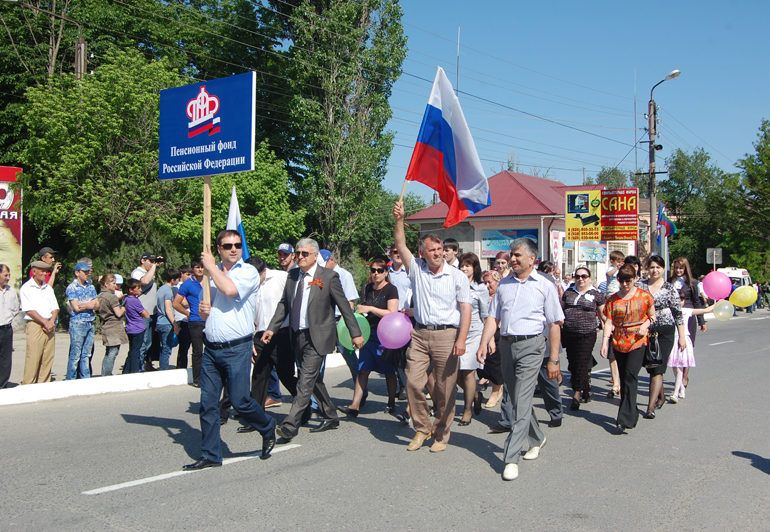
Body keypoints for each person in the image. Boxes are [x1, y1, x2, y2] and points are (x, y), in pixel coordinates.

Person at [184, 230, 277, 471]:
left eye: (237, 245)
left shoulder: (246, 272)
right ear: (219, 248)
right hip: (212, 349)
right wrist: (207, 311)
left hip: (237, 348)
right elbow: (216, 306)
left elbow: (230, 291)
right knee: (207, 404)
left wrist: (211, 268)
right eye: (228, 246)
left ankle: (267, 427)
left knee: (240, 401)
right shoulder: (210, 277)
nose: (234, 249)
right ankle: (211, 454)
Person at [476, 238, 564, 481]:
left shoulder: (544, 286)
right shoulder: (504, 284)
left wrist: (554, 359)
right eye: (511, 256)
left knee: (522, 399)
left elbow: (555, 323)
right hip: (507, 345)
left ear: (531, 259)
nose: (512, 260)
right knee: (516, 399)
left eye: (517, 256)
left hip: (532, 345)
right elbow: (493, 318)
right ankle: (537, 437)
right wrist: (484, 342)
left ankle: (510, 457)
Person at [261, 238, 363, 442]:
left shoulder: (328, 276)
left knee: (305, 381)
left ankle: (290, 425)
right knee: (314, 379)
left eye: (304, 254)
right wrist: (272, 328)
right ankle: (331, 414)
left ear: (315, 256)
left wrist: (355, 333)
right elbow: (284, 305)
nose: (300, 257)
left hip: (319, 335)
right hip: (297, 336)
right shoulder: (293, 276)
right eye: (298, 253)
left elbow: (344, 306)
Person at [393, 201, 471, 453]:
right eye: (432, 250)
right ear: (422, 252)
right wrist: (399, 219)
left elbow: (466, 309)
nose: (437, 253)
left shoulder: (457, 276)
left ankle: (441, 433)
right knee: (414, 383)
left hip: (447, 335)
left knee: (444, 389)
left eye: (440, 249)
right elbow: (400, 244)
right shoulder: (416, 269)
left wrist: (461, 340)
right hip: (420, 333)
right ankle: (422, 428)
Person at [339, 258, 399, 417]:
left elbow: (392, 313)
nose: (376, 274)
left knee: (389, 371)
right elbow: (364, 309)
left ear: (386, 272)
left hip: (385, 335)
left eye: (379, 270)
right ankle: (355, 406)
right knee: (363, 370)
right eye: (373, 270)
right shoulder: (368, 288)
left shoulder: (391, 289)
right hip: (369, 334)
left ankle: (392, 402)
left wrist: (370, 308)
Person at [600, 264, 656, 432]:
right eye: (622, 280)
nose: (625, 284)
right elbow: (609, 322)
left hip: (638, 340)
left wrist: (645, 325)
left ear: (635, 279)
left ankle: (625, 417)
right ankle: (631, 411)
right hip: (619, 341)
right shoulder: (613, 300)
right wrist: (604, 342)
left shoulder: (644, 296)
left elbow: (652, 316)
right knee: (624, 378)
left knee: (631, 376)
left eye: (628, 280)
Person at [244, 256, 298, 414]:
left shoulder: (281, 277)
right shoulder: (247, 285)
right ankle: (256, 416)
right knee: (259, 375)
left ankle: (304, 406)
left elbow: (293, 302)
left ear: (263, 271)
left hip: (281, 334)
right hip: (259, 334)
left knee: (285, 374)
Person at [639, 256, 687, 419]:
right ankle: (661, 396)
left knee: (657, 369)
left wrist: (682, 336)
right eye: (652, 267)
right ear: (647, 268)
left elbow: (677, 313)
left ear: (663, 269)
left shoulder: (669, 288)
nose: (655, 270)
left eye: (658, 267)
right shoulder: (640, 286)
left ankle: (650, 407)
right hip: (644, 330)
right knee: (650, 366)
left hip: (665, 331)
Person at [561, 267, 605, 409]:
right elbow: (560, 310)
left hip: (587, 333)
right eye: (578, 276)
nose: (581, 279)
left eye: (584, 276)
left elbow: (604, 314)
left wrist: (608, 329)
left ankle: (577, 393)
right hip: (569, 332)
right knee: (573, 363)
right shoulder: (568, 292)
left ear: (589, 278)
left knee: (582, 361)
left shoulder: (596, 294)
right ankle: (586, 390)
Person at [457, 252, 489, 425]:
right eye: (462, 265)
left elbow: (486, 314)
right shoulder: (454, 284)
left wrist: (488, 339)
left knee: (468, 371)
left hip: (474, 333)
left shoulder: (480, 288)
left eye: (467, 265)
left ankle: (467, 409)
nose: (464, 268)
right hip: (456, 332)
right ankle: (475, 394)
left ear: (474, 268)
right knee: (454, 375)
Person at [320, 249, 360, 380]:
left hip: (340, 321)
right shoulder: (319, 275)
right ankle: (317, 396)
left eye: (323, 263)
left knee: (349, 356)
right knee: (319, 358)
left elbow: (350, 302)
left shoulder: (344, 275)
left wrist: (345, 325)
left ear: (331, 260)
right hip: (324, 321)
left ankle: (360, 391)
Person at [669, 292, 715, 403]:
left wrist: (718, 302)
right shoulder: (668, 312)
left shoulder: (686, 311)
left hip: (683, 340)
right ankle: (681, 388)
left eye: (681, 299)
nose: (679, 302)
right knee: (674, 367)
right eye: (677, 299)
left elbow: (705, 310)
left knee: (680, 366)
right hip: (671, 340)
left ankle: (675, 393)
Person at [669, 256, 706, 389]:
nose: (678, 270)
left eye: (681, 268)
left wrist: (702, 321)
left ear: (685, 268)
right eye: (676, 268)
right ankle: (678, 377)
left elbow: (697, 302)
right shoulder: (669, 281)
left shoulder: (693, 283)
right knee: (675, 347)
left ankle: (685, 375)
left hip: (688, 317)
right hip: (673, 316)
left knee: (687, 347)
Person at [20, 261, 59, 384]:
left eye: (46, 271)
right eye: (41, 271)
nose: (44, 273)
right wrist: (44, 322)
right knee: (33, 357)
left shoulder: (48, 288)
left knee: (47, 357)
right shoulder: (26, 288)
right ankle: (29, 385)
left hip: (50, 324)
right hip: (35, 324)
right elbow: (29, 310)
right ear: (34, 271)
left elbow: (55, 307)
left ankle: (44, 383)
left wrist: (51, 321)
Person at [64, 262, 98, 380]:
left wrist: (87, 305)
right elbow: (76, 307)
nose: (87, 274)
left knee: (86, 354)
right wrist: (90, 304)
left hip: (90, 321)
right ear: (77, 273)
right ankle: (71, 379)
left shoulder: (91, 286)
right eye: (85, 272)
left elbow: (97, 304)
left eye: (88, 271)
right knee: (75, 355)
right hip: (78, 323)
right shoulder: (72, 288)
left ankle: (85, 378)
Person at [174, 260, 206, 386]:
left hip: (210, 321)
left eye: (202, 267)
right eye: (197, 267)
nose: (200, 270)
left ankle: (210, 376)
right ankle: (197, 379)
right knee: (198, 351)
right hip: (195, 321)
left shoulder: (209, 281)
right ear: (193, 269)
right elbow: (176, 303)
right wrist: (188, 313)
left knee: (211, 350)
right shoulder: (187, 284)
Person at [387, 245, 411, 401]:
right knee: (393, 355)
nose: (397, 255)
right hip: (389, 320)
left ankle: (407, 387)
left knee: (405, 355)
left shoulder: (409, 272)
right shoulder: (385, 273)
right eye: (394, 252)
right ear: (390, 254)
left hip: (406, 318)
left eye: (399, 252)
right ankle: (401, 385)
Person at [477, 270, 503, 408]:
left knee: (494, 364)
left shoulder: (500, 296)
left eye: (490, 282)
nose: (487, 285)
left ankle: (496, 390)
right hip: (479, 333)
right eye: (484, 282)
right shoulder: (482, 296)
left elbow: (492, 319)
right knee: (482, 366)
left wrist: (491, 338)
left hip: (497, 333)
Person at [131, 253, 159, 371]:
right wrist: (154, 267)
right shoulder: (137, 273)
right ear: (143, 260)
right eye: (150, 261)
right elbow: (145, 282)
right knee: (143, 343)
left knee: (149, 342)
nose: (153, 264)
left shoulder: (149, 272)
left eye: (154, 261)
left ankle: (145, 365)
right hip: (142, 313)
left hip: (151, 312)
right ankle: (138, 368)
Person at [96, 274, 128, 376]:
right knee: (113, 352)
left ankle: (105, 373)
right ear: (106, 284)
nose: (115, 286)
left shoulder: (100, 295)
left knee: (109, 351)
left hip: (105, 325)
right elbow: (118, 313)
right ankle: (107, 374)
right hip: (114, 326)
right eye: (113, 283)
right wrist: (124, 307)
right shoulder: (112, 297)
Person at [155, 269, 181, 371]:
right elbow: (168, 309)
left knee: (164, 346)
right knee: (167, 348)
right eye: (178, 279)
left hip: (159, 322)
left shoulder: (161, 289)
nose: (179, 281)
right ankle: (164, 369)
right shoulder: (168, 291)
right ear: (173, 279)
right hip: (166, 323)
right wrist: (175, 324)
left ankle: (163, 367)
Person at [123, 279, 150, 374]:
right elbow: (146, 314)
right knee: (136, 351)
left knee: (132, 350)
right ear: (131, 290)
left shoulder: (126, 299)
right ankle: (134, 370)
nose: (140, 290)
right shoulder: (134, 301)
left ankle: (126, 370)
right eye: (138, 288)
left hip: (130, 328)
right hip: (137, 328)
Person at [0, 264, 20, 388]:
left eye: (9, 275)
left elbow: (15, 308)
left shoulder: (11, 290)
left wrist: (8, 317)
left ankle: (2, 385)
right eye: (5, 275)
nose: (8, 278)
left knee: (6, 359)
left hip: (6, 328)